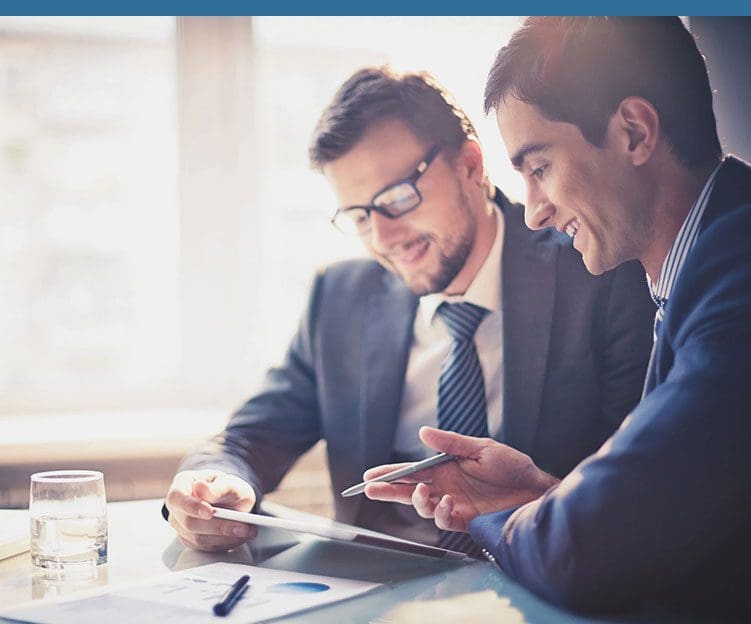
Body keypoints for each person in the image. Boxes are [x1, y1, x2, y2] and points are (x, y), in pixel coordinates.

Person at [163, 66, 654, 556]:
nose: (383, 238)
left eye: (397, 198)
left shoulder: (597, 270)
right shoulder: (340, 298)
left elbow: (636, 492)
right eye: (359, 215)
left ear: (469, 165)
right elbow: (250, 437)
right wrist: (211, 484)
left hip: (534, 579)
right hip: (374, 592)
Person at [364, 17, 751, 617]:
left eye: (539, 168)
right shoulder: (706, 263)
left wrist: (503, 514)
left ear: (633, 132)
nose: (534, 214)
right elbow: (678, 518)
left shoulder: (737, 278)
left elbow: (584, 549)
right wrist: (543, 494)